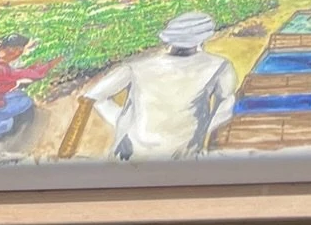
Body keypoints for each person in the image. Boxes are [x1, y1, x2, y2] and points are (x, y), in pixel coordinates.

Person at [80, 11, 237, 161]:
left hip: (131, 156)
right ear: (203, 38)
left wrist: (122, 122)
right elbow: (226, 104)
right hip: (184, 156)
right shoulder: (219, 66)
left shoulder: (138, 66)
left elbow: (95, 96)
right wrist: (204, 129)